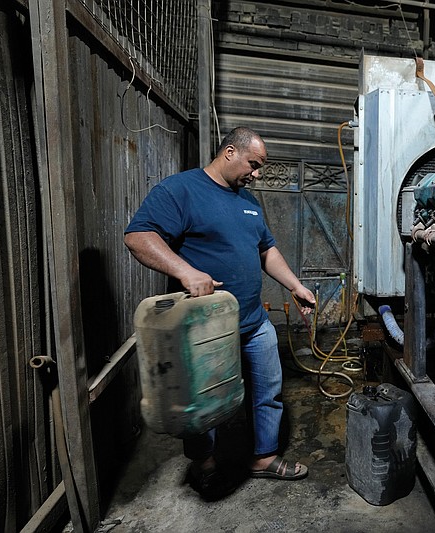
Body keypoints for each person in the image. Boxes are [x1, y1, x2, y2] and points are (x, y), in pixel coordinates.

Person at [124, 126, 315, 499]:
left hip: (253, 321)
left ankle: (263, 458)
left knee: (268, 390)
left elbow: (266, 250)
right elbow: (138, 236)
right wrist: (185, 271)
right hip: (205, 328)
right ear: (229, 152)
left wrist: (295, 285)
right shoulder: (180, 190)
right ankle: (205, 464)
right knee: (203, 401)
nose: (257, 174)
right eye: (253, 164)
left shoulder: (248, 201)